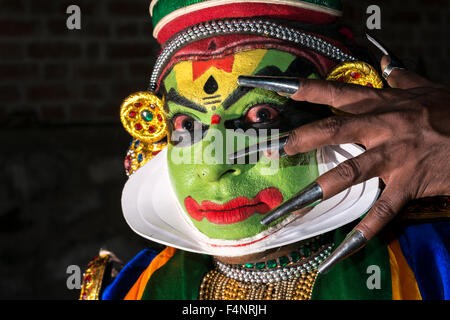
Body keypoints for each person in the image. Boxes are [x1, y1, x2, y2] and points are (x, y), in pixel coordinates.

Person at [80, 0, 449, 300]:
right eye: (185, 126)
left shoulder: (431, 263)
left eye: (260, 116)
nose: (213, 168)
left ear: (343, 116)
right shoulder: (128, 289)